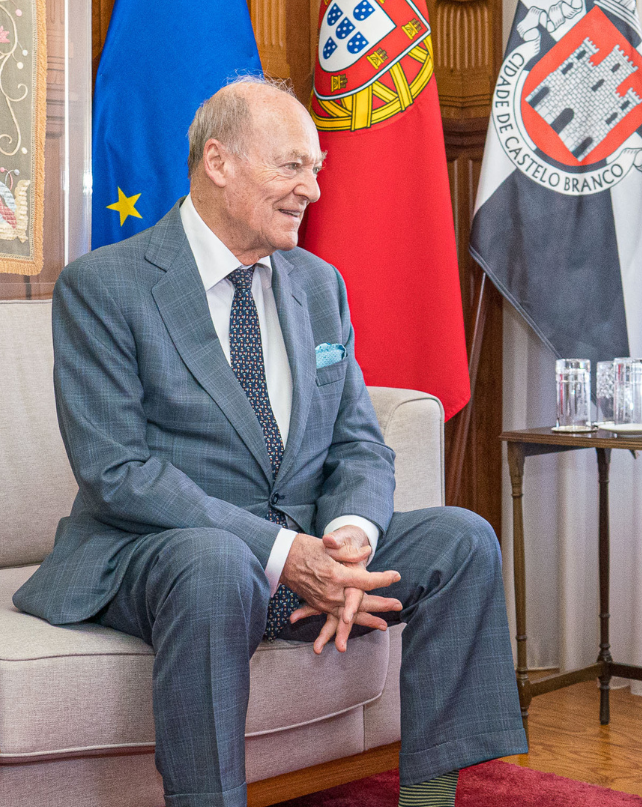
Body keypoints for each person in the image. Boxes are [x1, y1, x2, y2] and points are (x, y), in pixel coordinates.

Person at [14, 77, 526, 807]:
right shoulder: (106, 286)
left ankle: (429, 797)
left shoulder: (318, 283)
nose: (312, 189)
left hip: (303, 542)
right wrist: (286, 555)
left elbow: (357, 438)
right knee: (219, 560)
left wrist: (348, 540)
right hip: (159, 549)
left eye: (316, 168)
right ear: (218, 162)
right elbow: (118, 470)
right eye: (293, 166)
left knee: (462, 539)